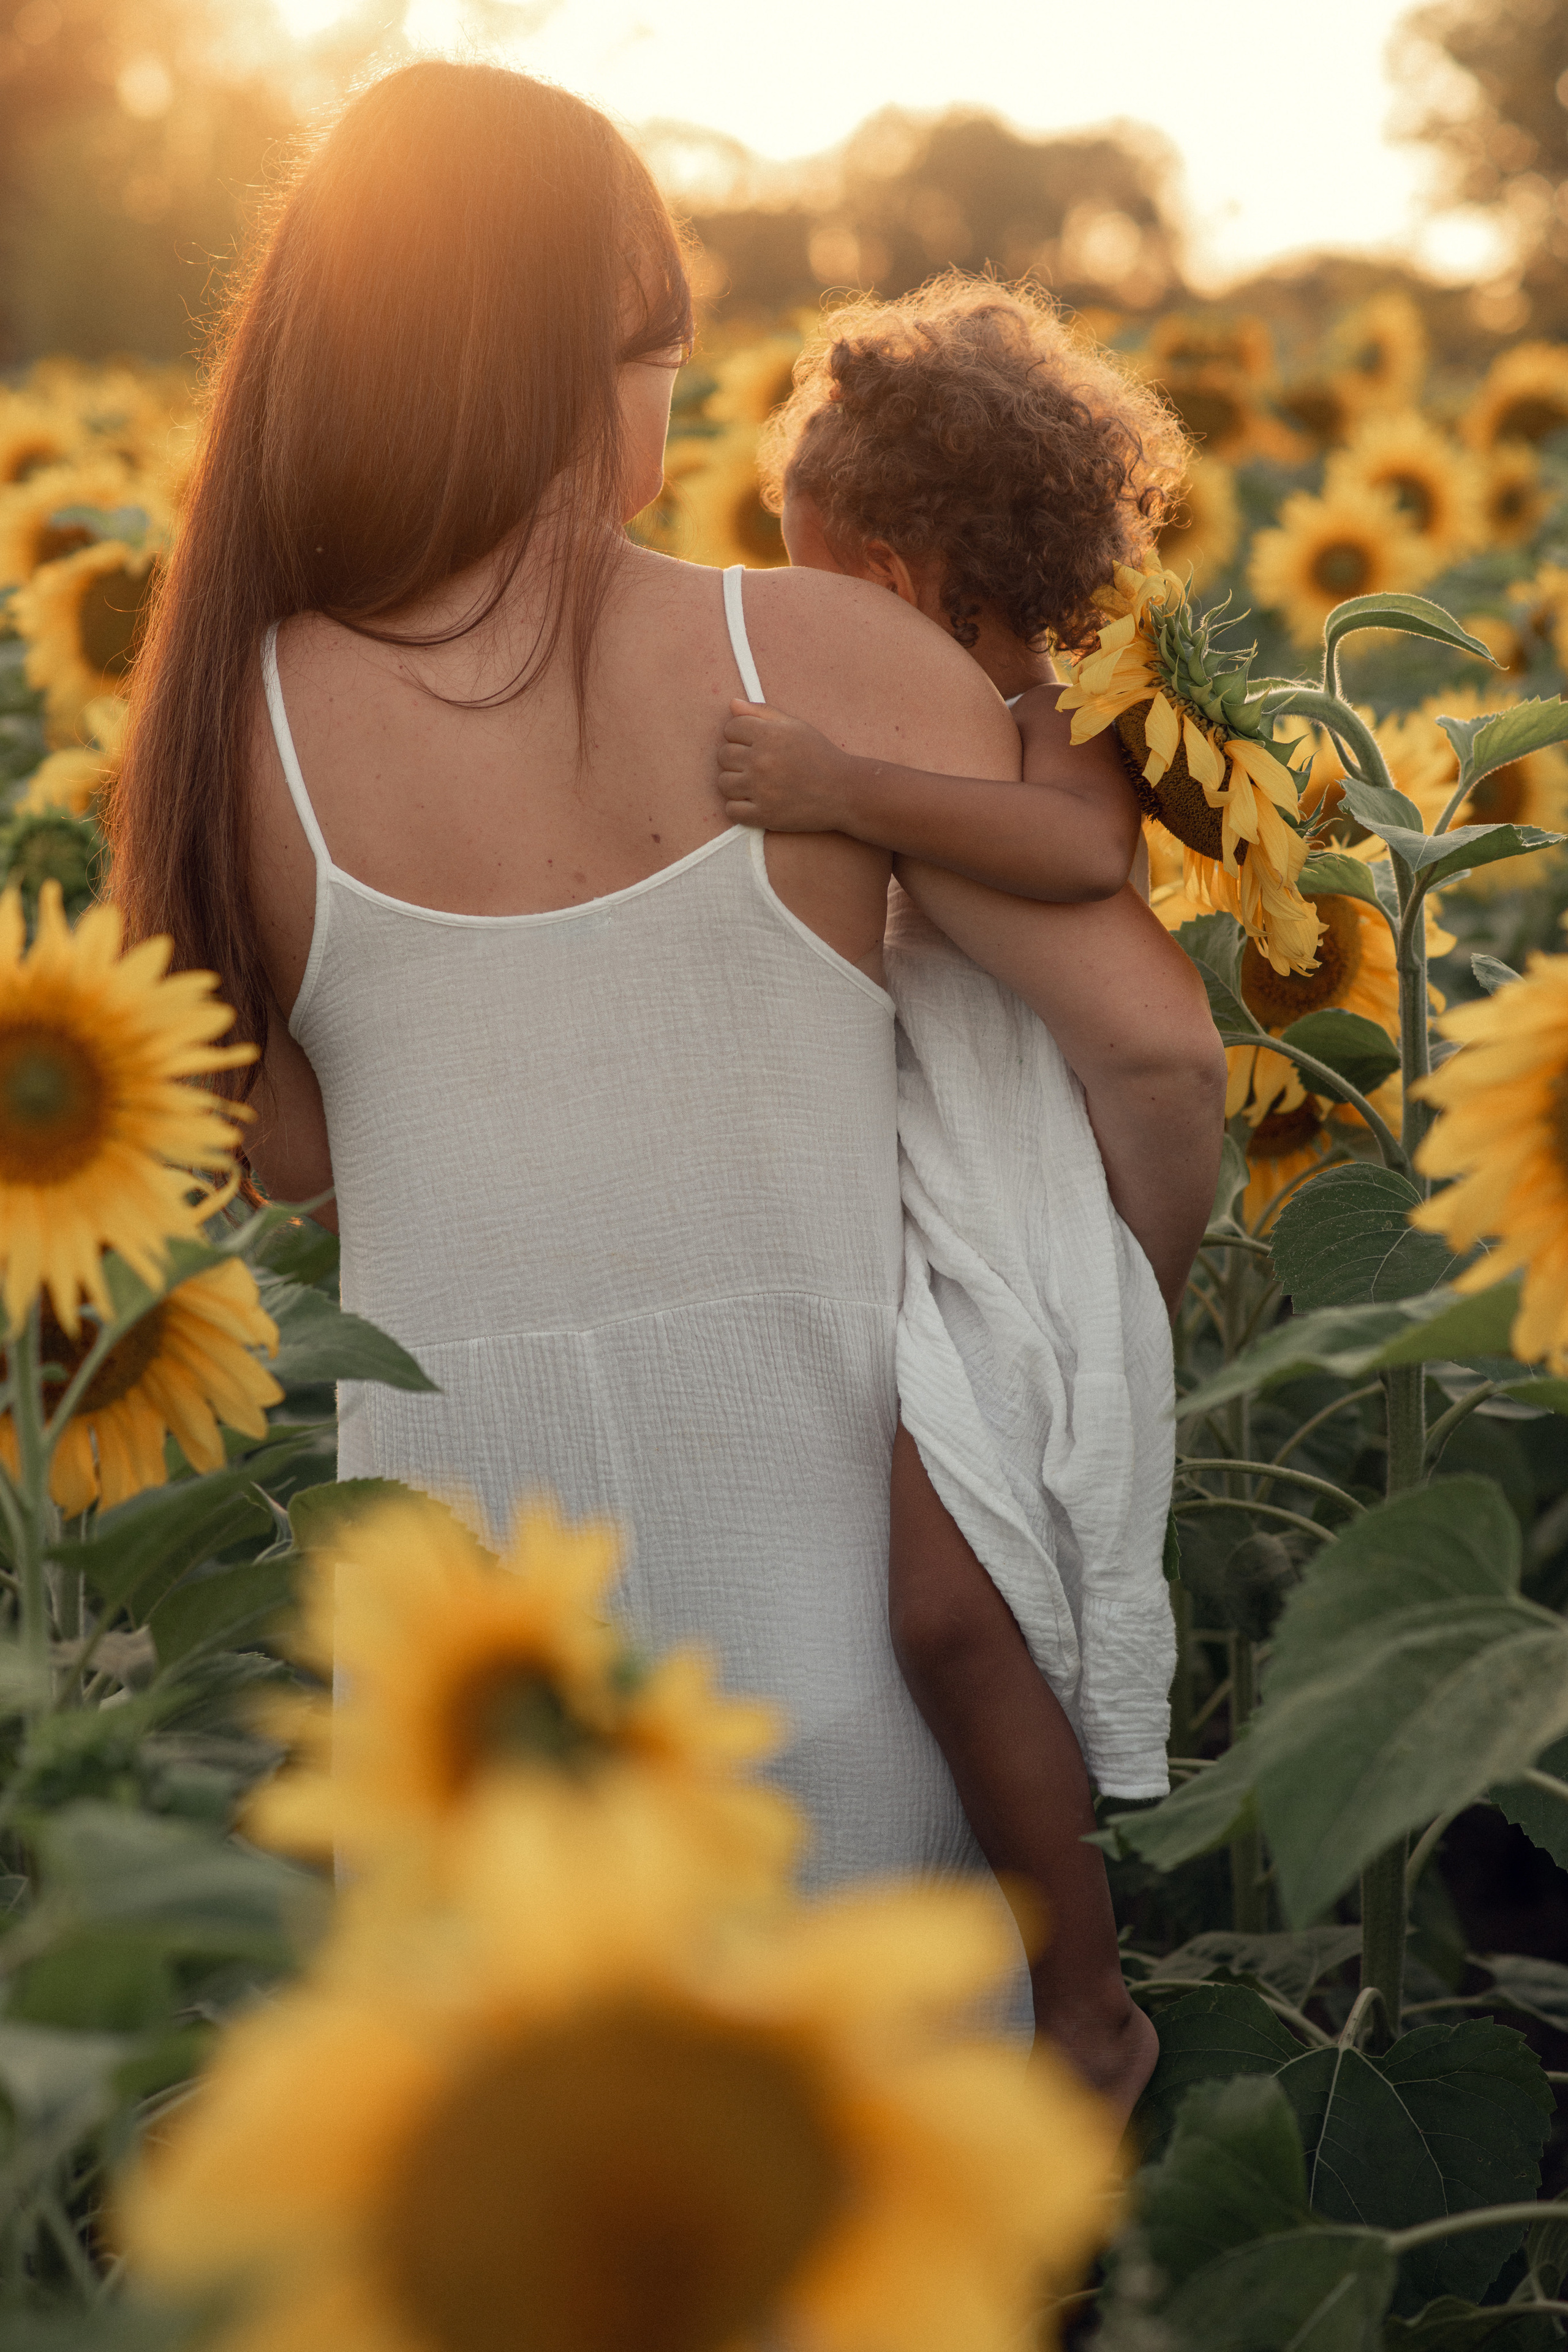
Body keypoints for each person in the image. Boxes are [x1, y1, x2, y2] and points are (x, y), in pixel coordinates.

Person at [106, 63, 1152, 2083]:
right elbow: (1138, 1052)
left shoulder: (234, 732)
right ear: (610, 354)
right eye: (665, 344)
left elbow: (305, 1170)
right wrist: (1070, 1353)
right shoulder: (834, 674)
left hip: (471, 1732)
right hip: (840, 1664)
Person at [719, 279, 1227, 2100]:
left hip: (1025, 1212)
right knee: (934, 1605)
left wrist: (844, 775)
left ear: (918, 573)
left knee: (948, 1605)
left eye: (821, 583)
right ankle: (1029, 1982)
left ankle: (1090, 2006)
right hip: (929, 1204)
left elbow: (1083, 848)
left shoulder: (1056, 700)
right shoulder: (972, 704)